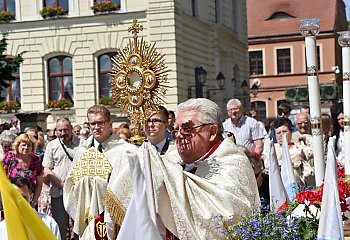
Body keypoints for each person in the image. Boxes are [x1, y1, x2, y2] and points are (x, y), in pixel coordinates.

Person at [102, 98, 259, 239]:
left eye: (187, 129)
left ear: (212, 132)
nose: (179, 135)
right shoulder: (174, 160)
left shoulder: (233, 163)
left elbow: (222, 220)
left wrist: (156, 168)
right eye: (176, 130)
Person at [63, 104, 137, 237]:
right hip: (86, 214)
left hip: (112, 218)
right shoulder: (82, 150)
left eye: (101, 123)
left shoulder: (124, 150)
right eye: (93, 124)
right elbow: (70, 183)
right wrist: (84, 185)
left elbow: (129, 185)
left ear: (110, 124)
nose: (96, 127)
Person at [43, 117, 80, 239]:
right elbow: (47, 169)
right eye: (60, 130)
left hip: (78, 193)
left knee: (80, 228)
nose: (63, 133)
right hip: (58, 193)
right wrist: (62, 184)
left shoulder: (82, 144)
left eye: (66, 130)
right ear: (56, 131)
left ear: (71, 129)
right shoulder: (52, 146)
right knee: (60, 228)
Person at [262, 118, 311, 187]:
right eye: (278, 133)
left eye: (284, 131)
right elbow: (268, 165)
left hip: (298, 186)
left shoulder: (299, 147)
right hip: (279, 187)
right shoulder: (272, 149)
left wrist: (306, 136)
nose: (282, 135)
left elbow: (313, 151)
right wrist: (291, 161)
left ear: (291, 132)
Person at [2, 133, 43, 208]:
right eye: (23, 145)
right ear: (18, 145)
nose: (26, 147)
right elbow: (2, 178)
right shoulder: (10, 157)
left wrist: (34, 201)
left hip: (29, 201)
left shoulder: (36, 160)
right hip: (11, 199)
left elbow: (39, 184)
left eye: (29, 145)